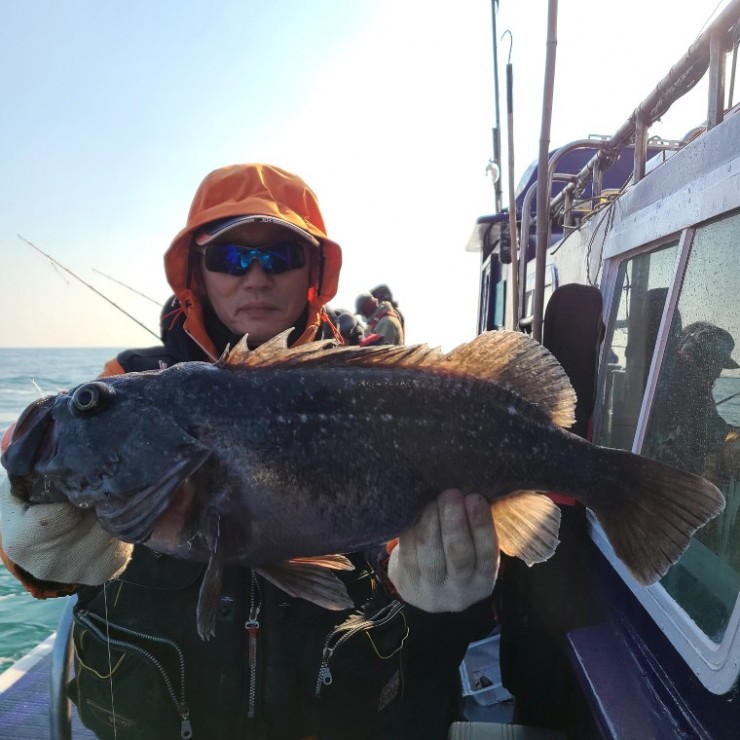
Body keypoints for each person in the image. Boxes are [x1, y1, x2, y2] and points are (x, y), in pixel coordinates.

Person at [0, 163, 497, 740]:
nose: (255, 278)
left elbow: (402, 555)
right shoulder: (127, 381)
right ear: (197, 272)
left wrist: (438, 590)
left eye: (280, 255)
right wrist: (32, 548)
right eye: (231, 257)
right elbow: (39, 533)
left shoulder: (367, 385)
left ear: (314, 272)